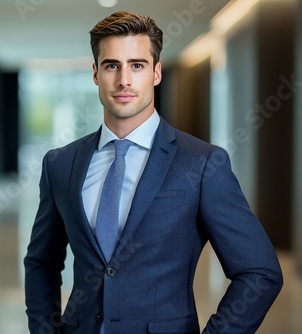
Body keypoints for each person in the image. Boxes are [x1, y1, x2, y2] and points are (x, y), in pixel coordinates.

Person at [23, 10, 283, 334]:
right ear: (95, 73)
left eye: (137, 65)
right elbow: (41, 263)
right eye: (111, 66)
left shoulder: (202, 164)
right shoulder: (60, 164)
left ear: (156, 73)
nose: (124, 80)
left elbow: (260, 272)